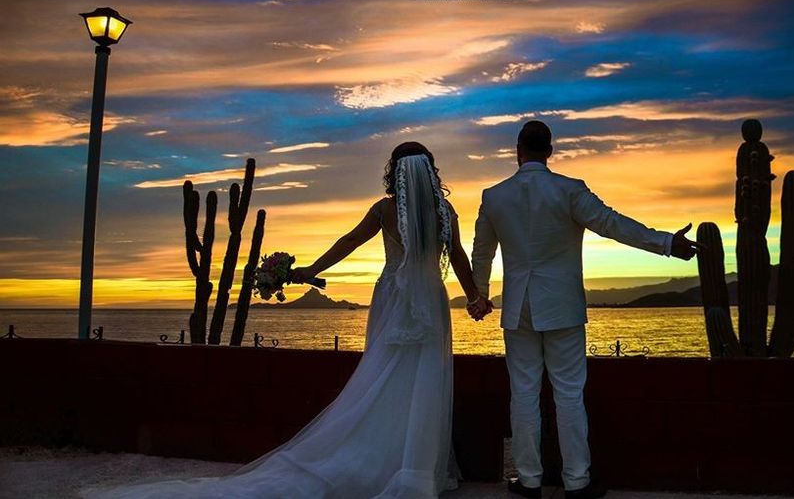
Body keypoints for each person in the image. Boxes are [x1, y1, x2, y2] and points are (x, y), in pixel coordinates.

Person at [81, 142, 486, 499]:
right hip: (431, 299)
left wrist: (311, 269)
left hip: (393, 297)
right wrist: (472, 298)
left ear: (394, 172)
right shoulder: (443, 210)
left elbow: (348, 242)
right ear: (430, 172)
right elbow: (461, 259)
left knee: (383, 372)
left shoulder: (384, 210)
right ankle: (416, 468)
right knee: (425, 377)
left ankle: (384, 460)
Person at [470, 120, 699, 499]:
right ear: (550, 151)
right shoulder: (569, 191)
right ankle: (577, 481)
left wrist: (479, 295)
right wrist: (666, 243)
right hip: (563, 306)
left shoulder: (494, 197)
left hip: (518, 308)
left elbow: (482, 252)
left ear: (517, 150)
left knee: (523, 393)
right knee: (569, 393)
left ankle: (529, 481)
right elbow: (612, 224)